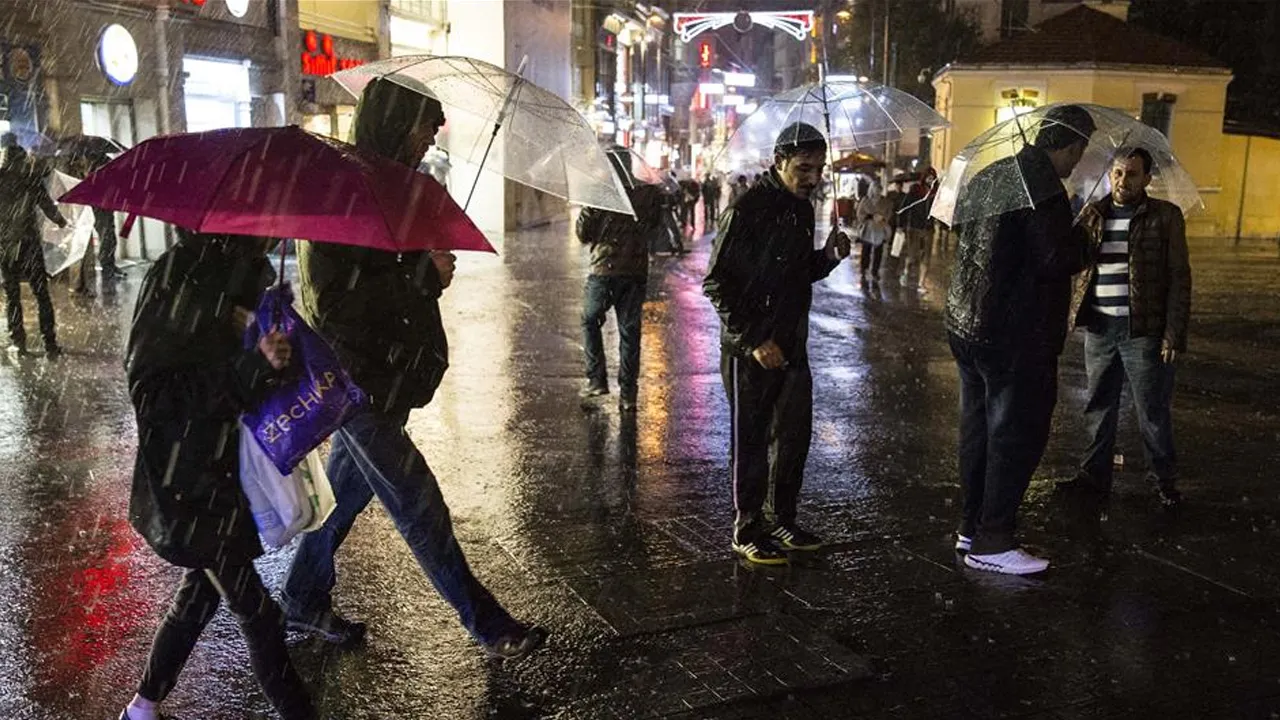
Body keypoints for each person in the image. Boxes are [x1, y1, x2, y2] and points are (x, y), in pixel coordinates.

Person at [280, 78, 546, 659]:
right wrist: (421, 276)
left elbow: (392, 287)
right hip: (357, 382)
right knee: (417, 501)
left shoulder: (397, 187)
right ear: (400, 121)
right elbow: (337, 303)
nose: (433, 136)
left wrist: (426, 271)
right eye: (428, 123)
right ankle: (489, 625)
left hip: (390, 375)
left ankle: (302, 597)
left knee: (344, 497)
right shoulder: (339, 189)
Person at [121, 229, 316, 720]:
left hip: (228, 477)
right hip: (190, 481)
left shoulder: (245, 275)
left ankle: (143, 706)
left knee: (202, 591)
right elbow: (154, 395)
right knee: (260, 615)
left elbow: (253, 376)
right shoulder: (179, 277)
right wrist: (249, 364)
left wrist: (270, 341)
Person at [945, 104, 1095, 575]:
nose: (1077, 163)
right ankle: (994, 541)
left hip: (968, 324)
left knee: (978, 431)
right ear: (1070, 145)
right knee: (1016, 434)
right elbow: (1054, 257)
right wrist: (1085, 238)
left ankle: (971, 527)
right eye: (1079, 153)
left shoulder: (992, 174)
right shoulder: (1043, 186)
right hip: (1016, 335)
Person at [703, 122, 851, 566]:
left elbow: (796, 272)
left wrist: (827, 258)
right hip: (750, 350)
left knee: (793, 437)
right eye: (803, 168)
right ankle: (747, 527)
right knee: (751, 440)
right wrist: (753, 339)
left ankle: (783, 518)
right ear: (779, 162)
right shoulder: (747, 209)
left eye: (819, 170)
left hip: (793, 344)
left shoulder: (802, 210)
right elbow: (716, 283)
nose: (812, 178)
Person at [1057, 148, 1190, 508]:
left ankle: (1164, 480)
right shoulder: (1093, 213)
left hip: (1143, 331)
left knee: (1152, 410)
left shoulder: (1165, 217)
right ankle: (1093, 477)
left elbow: (1179, 277)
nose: (1122, 181)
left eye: (1132, 174)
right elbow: (1075, 263)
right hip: (1100, 328)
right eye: (1117, 172)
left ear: (1147, 179)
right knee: (1098, 406)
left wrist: (1173, 332)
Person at [578, 161, 664, 411]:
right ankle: (628, 394)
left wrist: (588, 207)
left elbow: (583, 234)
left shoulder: (600, 193)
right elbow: (655, 228)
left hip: (604, 270)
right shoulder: (647, 194)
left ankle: (597, 380)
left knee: (590, 320)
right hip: (635, 271)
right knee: (629, 332)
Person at [0, 133, 67, 358]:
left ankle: (19, 342)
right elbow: (46, 203)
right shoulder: (30, 174)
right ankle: (50, 342)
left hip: (5, 245)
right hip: (29, 243)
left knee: (12, 295)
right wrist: (60, 220)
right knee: (41, 293)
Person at [899, 171, 937, 290]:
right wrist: (901, 224)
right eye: (928, 177)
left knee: (926, 257)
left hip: (929, 229)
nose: (930, 180)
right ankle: (905, 272)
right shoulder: (915, 191)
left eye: (933, 178)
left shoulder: (936, 193)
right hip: (915, 227)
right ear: (924, 178)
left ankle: (921, 283)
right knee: (912, 255)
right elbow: (904, 207)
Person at [856, 183, 891, 283]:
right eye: (875, 189)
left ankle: (875, 272)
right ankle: (864, 270)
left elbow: (889, 213)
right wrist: (871, 217)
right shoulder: (865, 200)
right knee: (866, 251)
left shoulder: (885, 201)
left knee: (878, 252)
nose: (877, 192)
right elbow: (859, 214)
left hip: (880, 228)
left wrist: (883, 218)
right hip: (868, 229)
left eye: (879, 190)